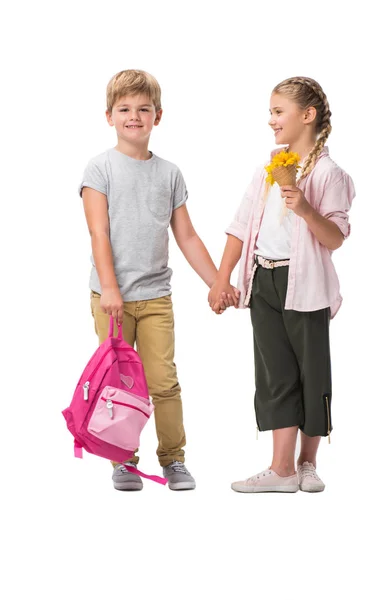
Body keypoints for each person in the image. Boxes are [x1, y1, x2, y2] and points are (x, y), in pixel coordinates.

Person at [80, 69, 225, 491]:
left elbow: (187, 235)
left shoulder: (169, 173)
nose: (134, 116)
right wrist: (109, 287)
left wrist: (216, 282)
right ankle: (122, 459)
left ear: (157, 116)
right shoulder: (99, 168)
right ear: (109, 116)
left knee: (163, 380)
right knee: (119, 382)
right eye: (124, 109)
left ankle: (173, 458)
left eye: (143, 109)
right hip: (112, 298)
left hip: (156, 297)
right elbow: (98, 232)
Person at [209, 76, 355, 493]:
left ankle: (307, 464)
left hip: (303, 282)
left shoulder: (329, 174)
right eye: (271, 112)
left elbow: (335, 238)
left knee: (311, 371)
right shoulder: (266, 171)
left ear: (306, 116)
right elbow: (240, 228)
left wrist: (306, 208)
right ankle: (281, 469)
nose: (271, 120)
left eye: (278, 112)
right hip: (263, 279)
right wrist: (223, 278)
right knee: (274, 373)